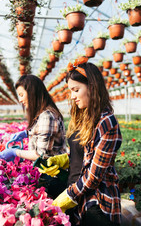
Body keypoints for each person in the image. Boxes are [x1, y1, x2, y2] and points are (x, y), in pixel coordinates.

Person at [40, 61, 122, 226]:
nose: (72, 96)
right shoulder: (82, 116)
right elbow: (81, 153)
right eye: (71, 91)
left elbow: (93, 178)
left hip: (96, 200)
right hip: (75, 191)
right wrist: (63, 159)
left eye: (76, 90)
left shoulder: (107, 122)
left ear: (92, 87)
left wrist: (67, 197)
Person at [0, 74, 66, 164]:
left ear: (32, 93)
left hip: (51, 173)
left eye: (21, 95)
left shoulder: (47, 116)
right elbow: (44, 134)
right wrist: (27, 133)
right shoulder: (42, 114)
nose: (20, 100)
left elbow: (40, 154)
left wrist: (15, 152)